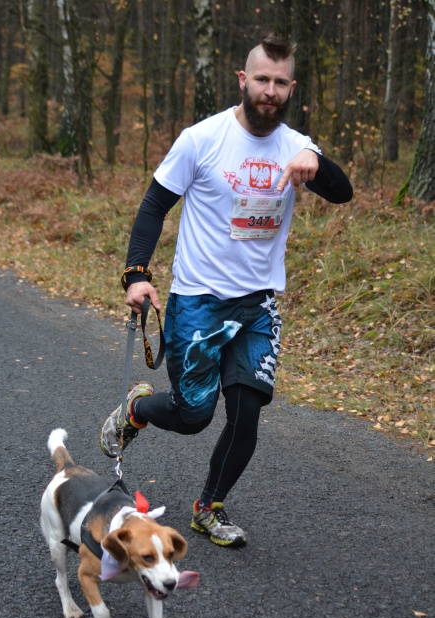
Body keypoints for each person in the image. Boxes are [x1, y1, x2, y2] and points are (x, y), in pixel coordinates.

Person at [100, 33, 353, 548]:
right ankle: (137, 409)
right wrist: (136, 273)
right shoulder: (201, 139)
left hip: (258, 304)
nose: (270, 91)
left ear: (291, 88)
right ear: (243, 79)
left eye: (280, 82)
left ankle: (209, 508)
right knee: (193, 415)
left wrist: (316, 161)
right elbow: (153, 207)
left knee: (246, 415)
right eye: (261, 79)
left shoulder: (298, 147)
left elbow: (342, 192)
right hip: (198, 300)